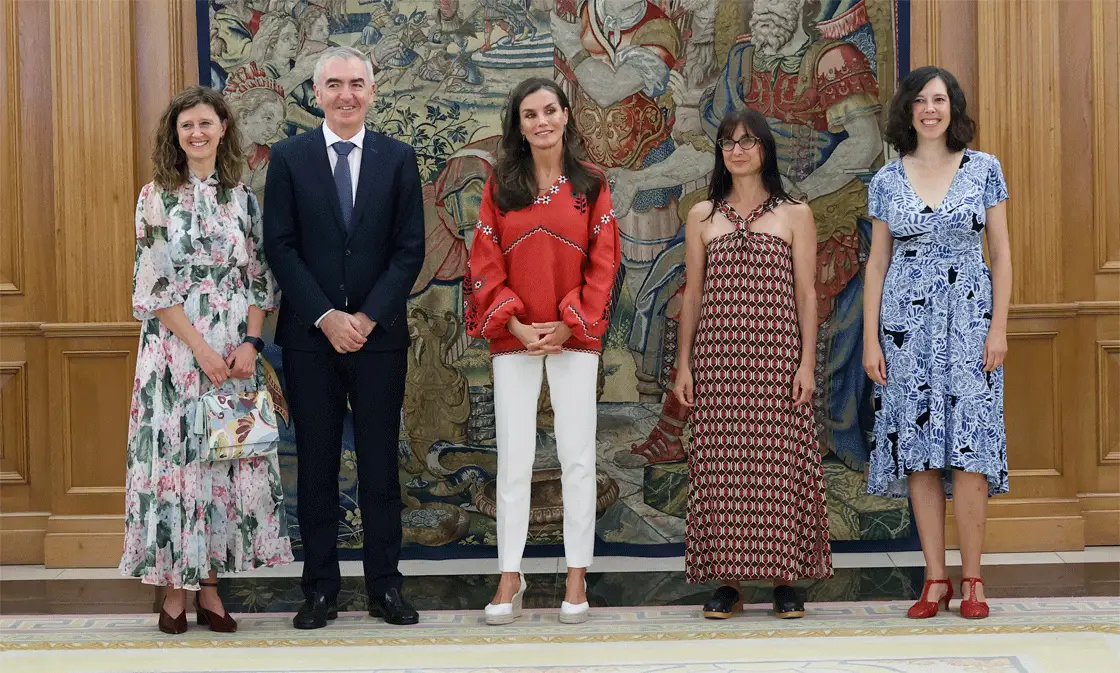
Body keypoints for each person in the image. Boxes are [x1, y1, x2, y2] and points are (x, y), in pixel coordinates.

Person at [120, 86, 293, 635]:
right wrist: (200, 351)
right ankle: (175, 590)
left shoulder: (241, 199)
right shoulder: (154, 198)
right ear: (176, 135)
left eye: (205, 124)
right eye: (186, 126)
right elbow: (150, 286)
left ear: (223, 131)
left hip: (234, 351)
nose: (196, 133)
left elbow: (261, 278)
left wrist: (250, 344)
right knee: (176, 466)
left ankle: (212, 589)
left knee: (224, 464)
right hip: (174, 353)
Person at [263, 46, 425, 630]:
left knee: (381, 466)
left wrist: (368, 316)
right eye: (335, 84)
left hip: (379, 340)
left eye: (357, 83)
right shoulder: (289, 158)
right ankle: (321, 592)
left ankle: (386, 587)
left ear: (373, 92)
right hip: (310, 341)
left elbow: (410, 250)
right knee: (317, 468)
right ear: (317, 92)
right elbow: (279, 246)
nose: (346, 93)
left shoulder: (398, 159)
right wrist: (327, 316)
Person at [463, 77, 621, 626]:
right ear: (519, 124)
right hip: (515, 337)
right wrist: (516, 322)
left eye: (549, 110)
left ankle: (577, 576)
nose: (541, 121)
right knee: (515, 459)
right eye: (530, 114)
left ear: (566, 115)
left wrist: (570, 321)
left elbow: (605, 262)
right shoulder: (501, 183)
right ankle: (511, 573)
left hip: (573, 337)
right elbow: (483, 259)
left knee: (578, 456)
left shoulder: (591, 184)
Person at [863, 66, 1011, 620]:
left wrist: (998, 327)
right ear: (908, 110)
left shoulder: (984, 169)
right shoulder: (886, 178)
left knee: (970, 451)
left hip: (971, 326)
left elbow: (1001, 255)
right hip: (905, 330)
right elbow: (876, 262)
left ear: (954, 108)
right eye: (921, 100)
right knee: (920, 454)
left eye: (940, 99)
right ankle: (935, 579)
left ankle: (972, 579)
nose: (931, 108)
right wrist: (872, 341)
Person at [675, 109, 832, 621]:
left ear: (765, 147)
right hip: (718, 360)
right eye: (727, 142)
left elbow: (807, 295)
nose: (737, 150)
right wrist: (684, 364)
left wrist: (806, 362)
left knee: (781, 467)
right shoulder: (703, 216)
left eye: (747, 141)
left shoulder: (794, 214)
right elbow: (693, 295)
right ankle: (728, 584)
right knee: (720, 469)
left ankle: (786, 579)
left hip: (776, 358)